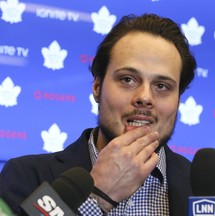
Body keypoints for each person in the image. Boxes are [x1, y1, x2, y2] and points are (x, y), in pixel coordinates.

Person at [0, 13, 196, 215]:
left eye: (162, 86)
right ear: (97, 86)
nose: (145, 97)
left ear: (178, 98)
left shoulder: (205, 192)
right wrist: (97, 197)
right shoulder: (26, 177)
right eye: (128, 79)